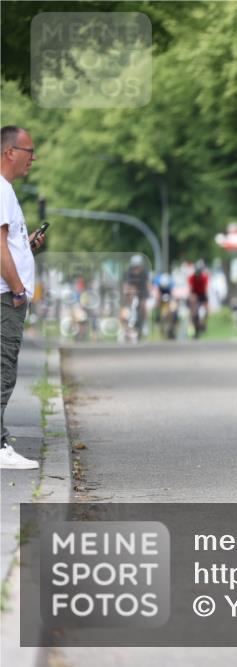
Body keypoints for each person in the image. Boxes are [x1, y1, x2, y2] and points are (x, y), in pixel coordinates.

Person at [1, 125, 45, 469]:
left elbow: (8, 245)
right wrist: (17, 289)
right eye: (29, 151)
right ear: (9, 152)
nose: (33, 158)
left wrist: (25, 247)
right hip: (5, 297)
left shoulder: (7, 192)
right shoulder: (1, 191)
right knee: (3, 370)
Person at [188, 260, 209, 338]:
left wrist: (206, 301)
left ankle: (204, 324)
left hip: (202, 294)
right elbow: (190, 289)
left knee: (206, 310)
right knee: (194, 311)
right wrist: (191, 298)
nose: (198, 278)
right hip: (195, 294)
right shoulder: (191, 278)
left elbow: (206, 289)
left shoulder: (204, 277)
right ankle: (195, 326)